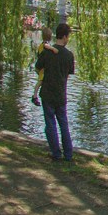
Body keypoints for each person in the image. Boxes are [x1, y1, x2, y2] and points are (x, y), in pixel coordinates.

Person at [32, 23, 75, 162]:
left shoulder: (47, 52)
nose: (68, 39)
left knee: (50, 123)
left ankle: (56, 153)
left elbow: (38, 68)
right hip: (61, 94)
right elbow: (67, 76)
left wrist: (44, 76)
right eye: (68, 36)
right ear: (64, 36)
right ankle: (68, 154)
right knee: (63, 124)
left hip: (48, 93)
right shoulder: (69, 56)